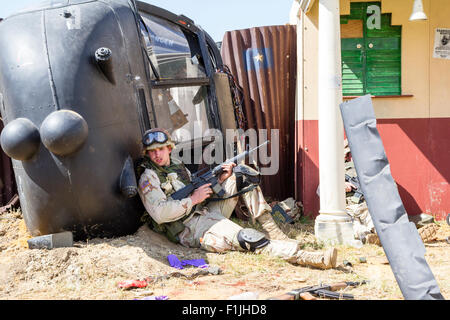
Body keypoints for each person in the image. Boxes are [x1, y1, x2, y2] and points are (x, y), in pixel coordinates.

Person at [135, 128, 338, 269]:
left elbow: (198, 193)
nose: (157, 155)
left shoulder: (177, 166)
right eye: (152, 152)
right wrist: (193, 200)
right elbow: (160, 214)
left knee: (240, 175)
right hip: (189, 228)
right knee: (245, 237)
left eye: (160, 149)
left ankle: (274, 232)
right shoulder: (149, 177)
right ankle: (307, 257)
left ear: (169, 148)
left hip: (203, 211)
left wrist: (220, 181)